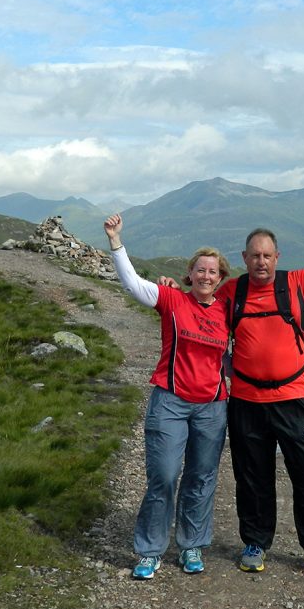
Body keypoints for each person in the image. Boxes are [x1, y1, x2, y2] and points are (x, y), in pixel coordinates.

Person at [161, 223, 304, 577]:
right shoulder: (232, 292)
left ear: (277, 257)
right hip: (245, 399)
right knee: (252, 475)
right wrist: (175, 290)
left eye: (267, 255)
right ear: (244, 258)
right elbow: (200, 305)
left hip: (292, 398)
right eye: (254, 256)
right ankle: (255, 542)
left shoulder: (298, 284)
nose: (261, 262)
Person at [103, 213, 231, 580]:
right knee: (164, 475)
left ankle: (191, 545)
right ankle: (150, 550)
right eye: (200, 270)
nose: (206, 276)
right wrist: (115, 240)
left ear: (220, 279)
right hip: (171, 401)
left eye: (213, 272)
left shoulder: (226, 311)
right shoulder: (172, 300)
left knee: (201, 477)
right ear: (190, 274)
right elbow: (132, 284)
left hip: (213, 405)